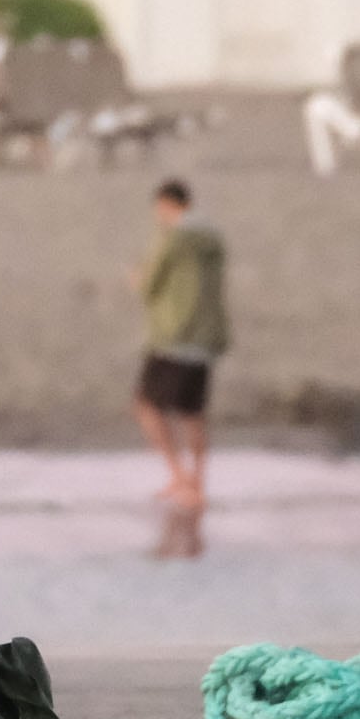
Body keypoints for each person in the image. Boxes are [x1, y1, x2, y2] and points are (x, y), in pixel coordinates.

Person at [134, 179, 228, 510]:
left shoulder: (174, 238)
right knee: (193, 414)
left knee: (146, 405)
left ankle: (179, 475)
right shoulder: (213, 238)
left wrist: (137, 279)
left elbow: (150, 284)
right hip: (206, 337)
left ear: (165, 204)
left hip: (174, 336)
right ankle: (196, 482)